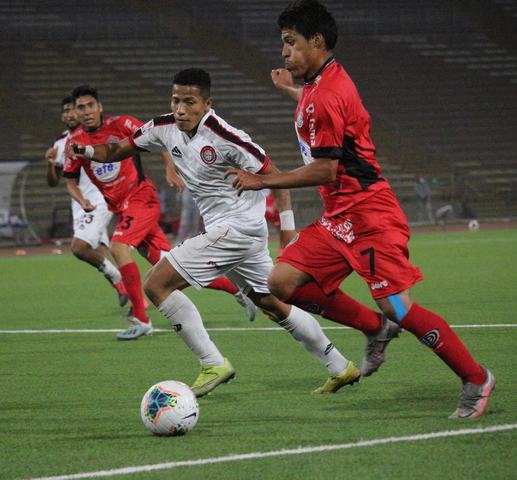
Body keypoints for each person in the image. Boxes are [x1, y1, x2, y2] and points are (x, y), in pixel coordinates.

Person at [227, 0, 495, 419]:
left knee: (399, 307)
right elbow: (319, 111)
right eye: (283, 42)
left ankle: (475, 378)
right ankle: (374, 328)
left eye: (290, 42)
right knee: (281, 282)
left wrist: (263, 181)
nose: (284, 51)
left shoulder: (325, 94)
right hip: (340, 217)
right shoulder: (321, 84)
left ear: (316, 41)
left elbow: (325, 169)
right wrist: (291, 91)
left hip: (370, 216)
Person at [69, 68, 362, 397]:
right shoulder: (163, 128)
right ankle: (340, 366)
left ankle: (212, 363)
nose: (180, 109)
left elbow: (277, 178)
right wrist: (87, 152)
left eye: (189, 102)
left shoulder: (225, 136)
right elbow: (115, 150)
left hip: (238, 228)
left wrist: (287, 232)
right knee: (272, 304)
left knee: (156, 283)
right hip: (233, 232)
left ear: (207, 104)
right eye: (176, 100)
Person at [63, 85, 256, 341]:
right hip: (121, 208)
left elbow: (158, 138)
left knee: (118, 248)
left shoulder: (121, 124)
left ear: (99, 106)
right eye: (81, 107)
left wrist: (170, 168)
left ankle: (141, 320)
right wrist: (82, 199)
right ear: (75, 112)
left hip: (141, 198)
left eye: (90, 105)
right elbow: (70, 179)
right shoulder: (74, 143)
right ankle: (238, 289)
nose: (86, 111)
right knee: (170, 266)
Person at [46, 96, 129, 310]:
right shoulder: (60, 143)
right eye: (65, 111)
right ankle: (127, 290)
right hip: (79, 203)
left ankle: (123, 283)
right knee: (98, 251)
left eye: (73, 109)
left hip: (99, 198)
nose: (70, 114)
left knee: (80, 247)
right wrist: (50, 164)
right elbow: (54, 181)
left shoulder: (93, 134)